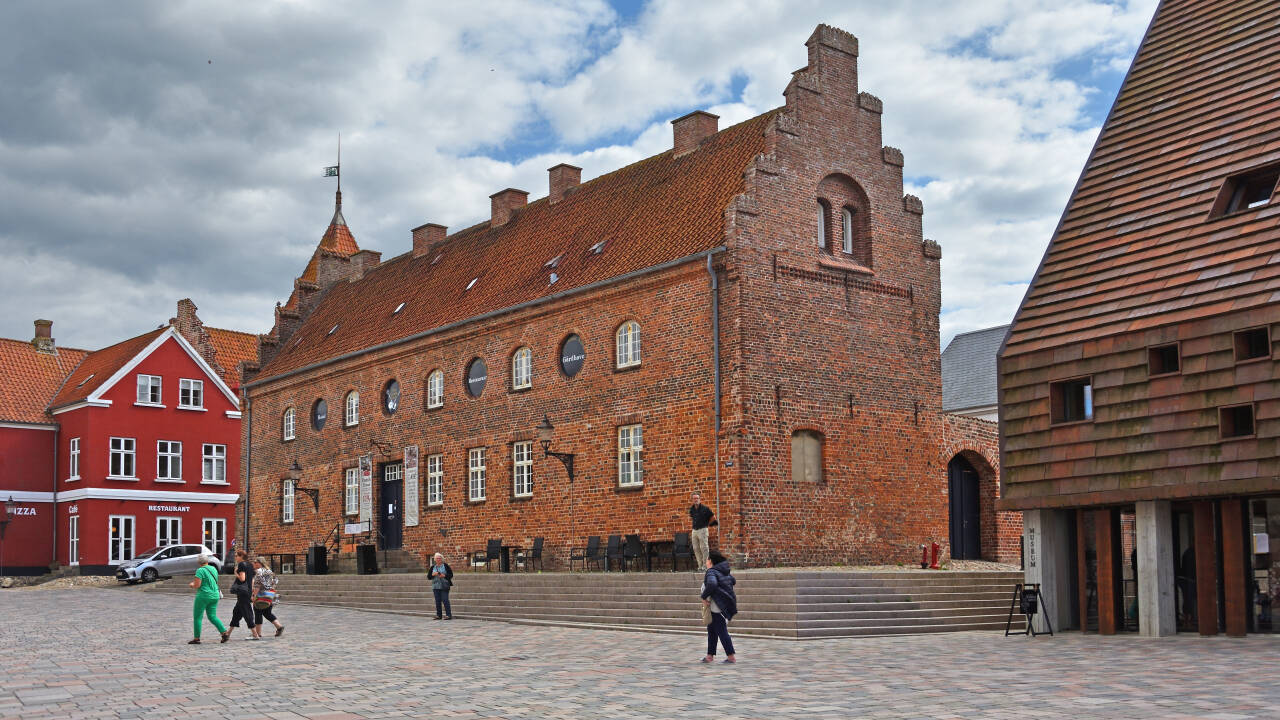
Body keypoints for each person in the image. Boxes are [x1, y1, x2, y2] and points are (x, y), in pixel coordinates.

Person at [700, 550, 737, 664]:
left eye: (707, 559)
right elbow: (732, 581)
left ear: (710, 561)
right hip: (719, 606)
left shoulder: (711, 572)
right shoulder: (722, 571)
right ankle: (709, 656)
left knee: (722, 631)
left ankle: (731, 657)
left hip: (716, 607)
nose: (706, 561)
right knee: (711, 630)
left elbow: (712, 584)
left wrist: (704, 596)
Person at [188, 554, 230, 645]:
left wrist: (191, 584)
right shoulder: (213, 569)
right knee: (212, 616)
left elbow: (197, 585)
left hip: (203, 595)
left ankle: (196, 638)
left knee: (198, 617)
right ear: (207, 561)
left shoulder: (200, 570)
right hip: (214, 595)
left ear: (199, 562)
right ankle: (224, 632)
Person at [251, 556, 285, 638]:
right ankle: (279, 626)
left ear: (260, 563)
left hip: (261, 596)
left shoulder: (259, 572)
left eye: (255, 562)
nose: (253, 564)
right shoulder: (270, 571)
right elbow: (275, 581)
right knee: (267, 613)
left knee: (258, 612)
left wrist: (253, 596)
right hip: (269, 596)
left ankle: (258, 633)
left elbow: (257, 585)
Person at [227, 550, 257, 639]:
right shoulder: (250, 565)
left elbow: (242, 578)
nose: (235, 557)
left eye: (237, 556)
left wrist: (236, 573)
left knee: (247, 612)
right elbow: (252, 580)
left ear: (241, 557)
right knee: (237, 612)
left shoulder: (241, 565)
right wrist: (251, 592)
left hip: (242, 592)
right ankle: (228, 633)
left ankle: (255, 635)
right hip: (247, 591)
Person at [689, 492, 717, 570]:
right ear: (692, 500)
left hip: (703, 530)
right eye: (694, 498)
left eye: (697, 498)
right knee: (696, 548)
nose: (696, 500)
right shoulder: (692, 509)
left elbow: (713, 517)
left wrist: (707, 524)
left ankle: (706, 566)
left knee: (704, 548)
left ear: (700, 499)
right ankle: (700, 566)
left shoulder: (705, 508)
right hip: (694, 530)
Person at [429, 552, 454, 620]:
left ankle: (448, 615)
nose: (438, 559)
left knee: (445, 600)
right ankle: (439, 615)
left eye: (440, 558)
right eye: (437, 558)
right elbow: (429, 577)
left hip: (444, 586)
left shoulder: (445, 565)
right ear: (435, 559)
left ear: (442, 559)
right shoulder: (433, 567)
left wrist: (444, 576)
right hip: (436, 586)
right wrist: (433, 575)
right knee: (437, 601)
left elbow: (451, 575)